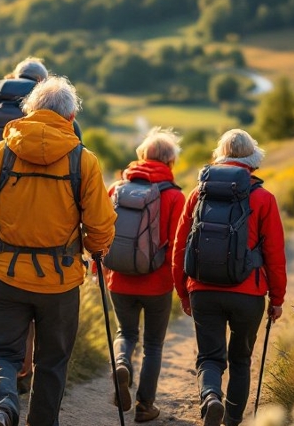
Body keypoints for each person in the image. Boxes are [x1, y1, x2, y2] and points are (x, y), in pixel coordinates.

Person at [0, 76, 116, 426]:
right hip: (60, 282)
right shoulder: (83, 161)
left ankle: (0, 408)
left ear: (29, 111)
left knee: (1, 352)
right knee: (52, 362)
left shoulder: (0, 153)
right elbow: (101, 226)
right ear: (71, 118)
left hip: (5, 275)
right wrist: (93, 248)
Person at [170, 129, 287, 426]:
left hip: (203, 289)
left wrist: (184, 291)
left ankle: (210, 397)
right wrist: (277, 297)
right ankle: (232, 419)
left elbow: (180, 245)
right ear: (252, 159)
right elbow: (274, 252)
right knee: (240, 359)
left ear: (219, 155)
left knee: (209, 357)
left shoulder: (198, 193)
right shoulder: (263, 197)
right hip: (248, 293)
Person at [104, 128, 186, 423]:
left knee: (125, 333)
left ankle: (123, 363)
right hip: (157, 284)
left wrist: (98, 267)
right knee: (153, 344)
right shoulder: (176, 197)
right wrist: (181, 284)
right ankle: (144, 406)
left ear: (141, 156)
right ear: (171, 162)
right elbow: (180, 246)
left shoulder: (116, 189)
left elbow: (101, 232)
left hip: (120, 279)